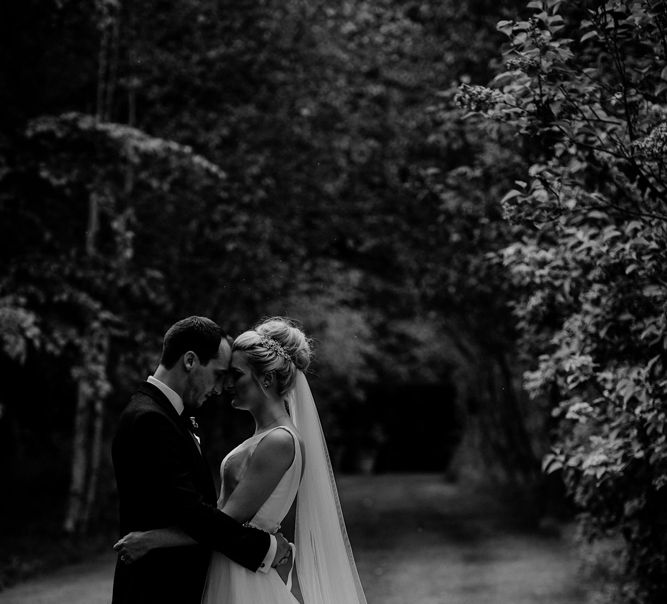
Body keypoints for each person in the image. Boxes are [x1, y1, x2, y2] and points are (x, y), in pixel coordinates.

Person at [114, 317, 368, 604]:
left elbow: (225, 517)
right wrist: (269, 547)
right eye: (225, 374)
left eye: (235, 375)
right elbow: (210, 515)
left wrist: (153, 540)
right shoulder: (154, 419)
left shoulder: (280, 440)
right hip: (210, 570)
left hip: (240, 575)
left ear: (267, 379)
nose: (226, 386)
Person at [111, 316, 291, 604]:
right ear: (190, 361)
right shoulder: (150, 420)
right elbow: (192, 513)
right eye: (219, 374)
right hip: (157, 588)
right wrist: (265, 547)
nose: (220, 388)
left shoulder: (164, 414)